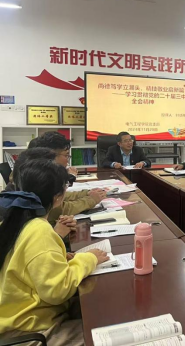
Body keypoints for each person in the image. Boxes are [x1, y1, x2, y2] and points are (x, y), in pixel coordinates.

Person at [0, 159, 109, 345]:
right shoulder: (39, 230)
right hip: (30, 331)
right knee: (105, 333)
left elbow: (24, 263)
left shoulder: (12, 221)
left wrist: (59, 258)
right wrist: (89, 259)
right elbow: (58, 290)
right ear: (58, 197)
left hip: (15, 318)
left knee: (97, 306)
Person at [2, 148, 77, 239]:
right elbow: (38, 244)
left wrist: (57, 230)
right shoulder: (15, 214)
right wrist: (57, 235)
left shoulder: (19, 201)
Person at [33, 132, 106, 221]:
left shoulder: (41, 170)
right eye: (66, 155)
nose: (67, 160)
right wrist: (91, 200)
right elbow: (59, 210)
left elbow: (59, 196)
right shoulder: (39, 177)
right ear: (50, 155)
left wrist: (86, 193)